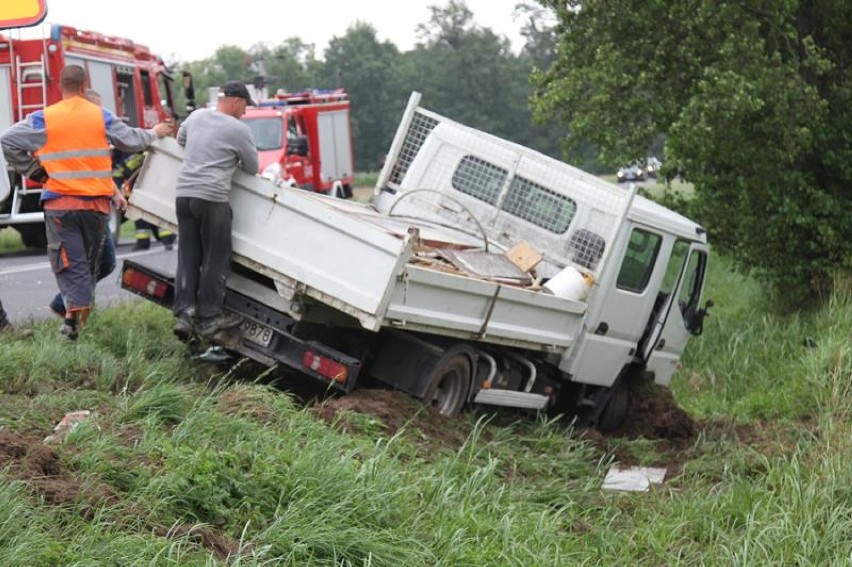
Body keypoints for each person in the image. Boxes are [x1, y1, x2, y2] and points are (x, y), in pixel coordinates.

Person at [1, 65, 174, 339]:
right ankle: (73, 322)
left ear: (62, 88)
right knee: (92, 264)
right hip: (95, 206)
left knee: (73, 264)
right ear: (84, 87)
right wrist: (154, 132)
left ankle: (72, 324)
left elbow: (8, 139)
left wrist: (35, 171)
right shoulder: (100, 116)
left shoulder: (45, 117)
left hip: (60, 205)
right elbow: (130, 140)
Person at [172, 80, 258, 342]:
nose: (244, 112)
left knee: (188, 254)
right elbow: (253, 167)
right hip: (211, 198)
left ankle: (184, 315)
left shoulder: (196, 116)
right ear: (235, 101)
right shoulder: (238, 129)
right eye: (244, 106)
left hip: (183, 195)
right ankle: (209, 318)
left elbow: (180, 139)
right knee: (215, 256)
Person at [48, 87, 122, 319]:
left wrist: (115, 192)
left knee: (103, 263)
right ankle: (70, 309)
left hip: (96, 205)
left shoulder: (92, 131)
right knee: (92, 264)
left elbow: (96, 169)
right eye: (96, 108)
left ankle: (71, 306)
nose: (100, 113)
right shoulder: (80, 132)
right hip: (83, 207)